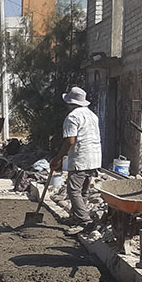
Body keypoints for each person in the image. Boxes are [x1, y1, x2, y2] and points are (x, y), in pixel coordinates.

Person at [48, 86, 103, 231]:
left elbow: (70, 141)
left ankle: (84, 221)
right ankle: (76, 216)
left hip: (81, 157)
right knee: (83, 191)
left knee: (73, 190)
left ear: (69, 103)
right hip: (95, 158)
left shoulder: (72, 117)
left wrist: (58, 158)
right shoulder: (92, 115)